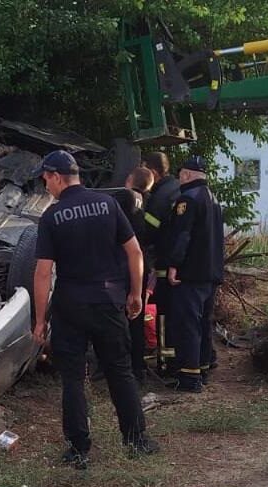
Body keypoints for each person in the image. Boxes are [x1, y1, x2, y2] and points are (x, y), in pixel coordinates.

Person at [31, 150, 158, 470]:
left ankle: (78, 450)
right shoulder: (108, 204)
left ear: (57, 177)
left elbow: (43, 272)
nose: (46, 186)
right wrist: (135, 293)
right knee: (120, 371)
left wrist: (39, 319)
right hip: (108, 302)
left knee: (73, 379)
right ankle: (137, 440)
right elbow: (135, 252)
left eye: (46, 179)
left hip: (70, 306)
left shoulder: (51, 217)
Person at [164, 155, 224, 393]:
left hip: (191, 273)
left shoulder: (186, 199)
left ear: (187, 175)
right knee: (203, 321)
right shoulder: (213, 198)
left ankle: (189, 377)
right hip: (211, 272)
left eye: (181, 175)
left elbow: (183, 235)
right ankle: (203, 366)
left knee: (188, 323)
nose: (179, 179)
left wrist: (173, 264)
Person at [142, 152, 180, 375]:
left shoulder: (159, 197)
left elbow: (148, 233)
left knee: (164, 317)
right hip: (180, 265)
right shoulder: (177, 187)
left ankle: (166, 364)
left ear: (154, 172)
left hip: (165, 265)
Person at [123, 166, 155, 383]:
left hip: (124, 265)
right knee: (137, 315)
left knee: (120, 316)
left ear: (129, 180)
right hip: (142, 265)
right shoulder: (150, 202)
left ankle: (120, 366)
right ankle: (138, 367)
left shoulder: (124, 199)